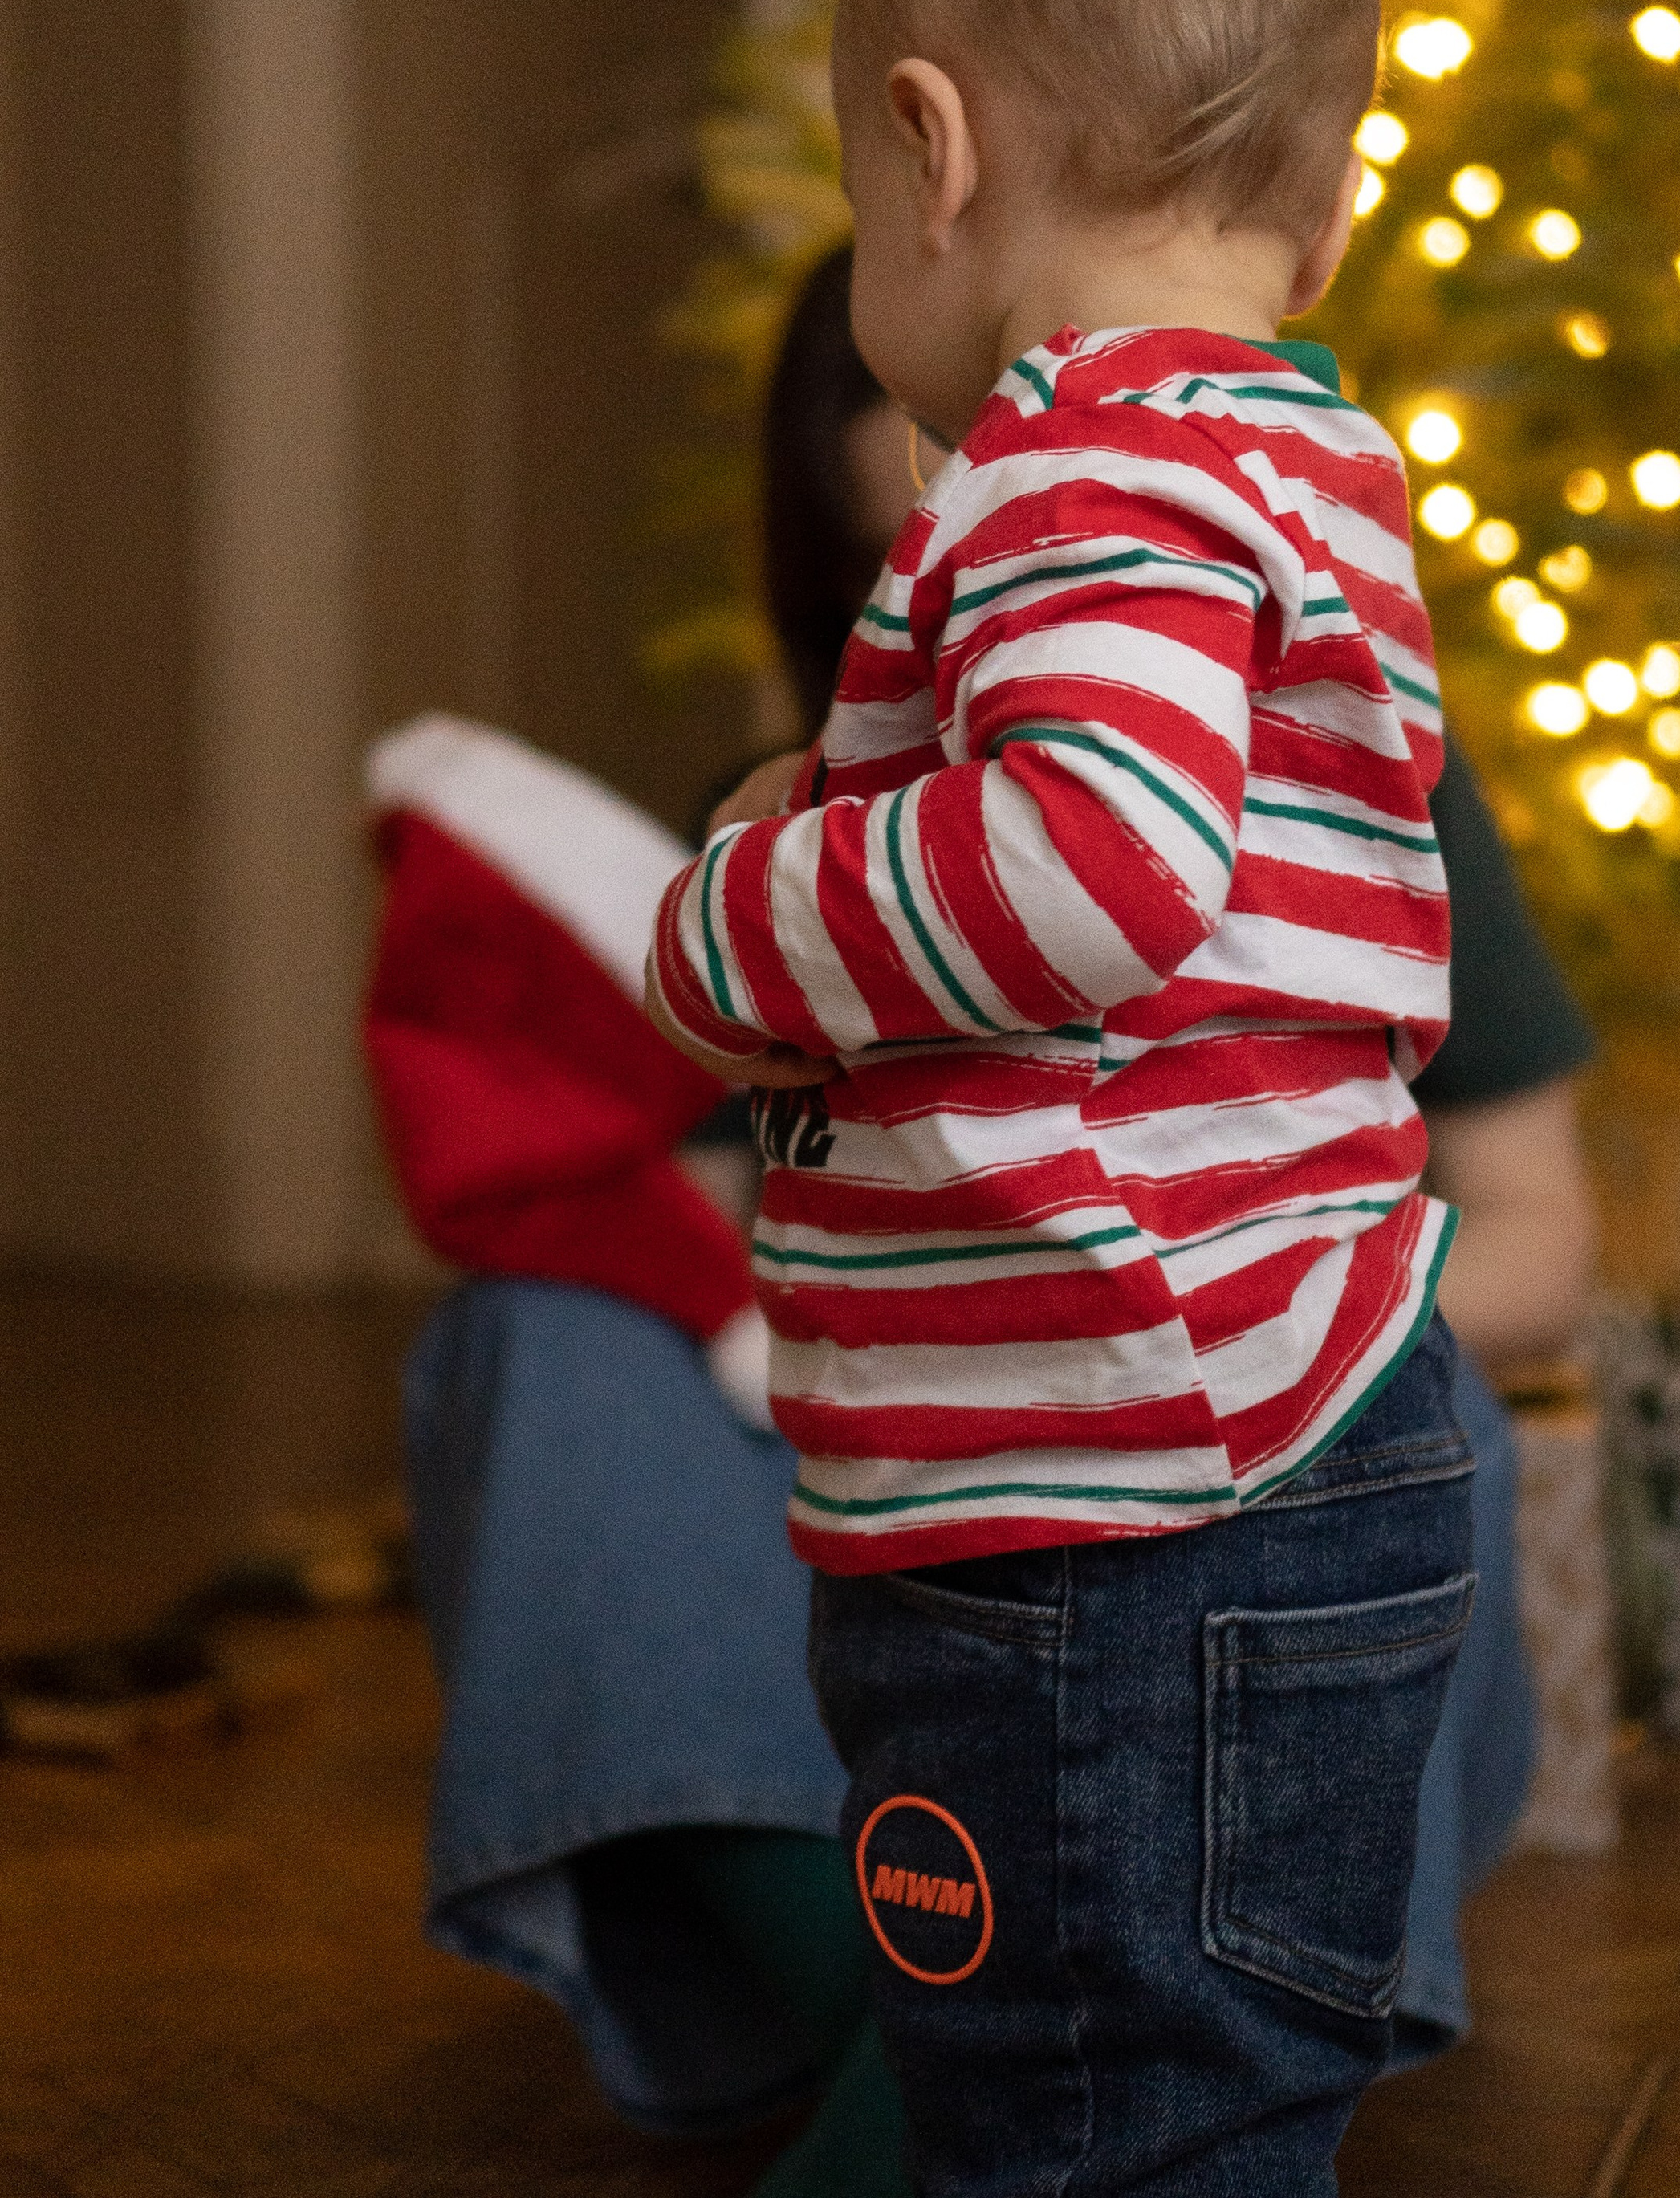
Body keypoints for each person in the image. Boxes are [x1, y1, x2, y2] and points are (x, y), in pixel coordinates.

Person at [388, 234, 1589, 2189]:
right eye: (939, 409)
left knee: (1392, 1388)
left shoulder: (1347, 756)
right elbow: (709, 1215)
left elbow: (1543, 1229)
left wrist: (1197, 1312)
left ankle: (1030, 2030)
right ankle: (953, 2006)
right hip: (884, 1555)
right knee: (525, 1340)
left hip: (1227, 1519)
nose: (1018, 431)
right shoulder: (791, 818)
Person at [644, 0, 1583, 2196]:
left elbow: (1097, 865)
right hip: (1259, 1471)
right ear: (1334, 216)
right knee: (1188, 2106)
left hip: (1122, 1537)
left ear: (932, 155)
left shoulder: (1080, 477)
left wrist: (741, 904)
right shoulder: (1300, 464)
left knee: (1085, 2126)